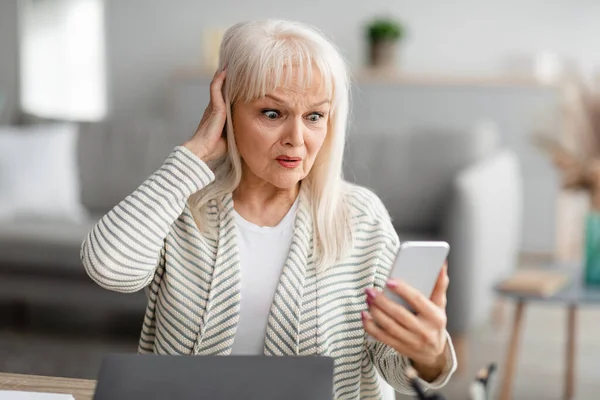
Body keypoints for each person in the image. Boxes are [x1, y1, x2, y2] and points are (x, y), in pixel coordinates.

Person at [81, 19, 457, 399]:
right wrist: (193, 154)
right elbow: (109, 268)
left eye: (314, 116)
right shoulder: (180, 204)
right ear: (226, 111)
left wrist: (429, 353)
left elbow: (398, 371)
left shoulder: (360, 218)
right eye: (272, 114)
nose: (297, 139)